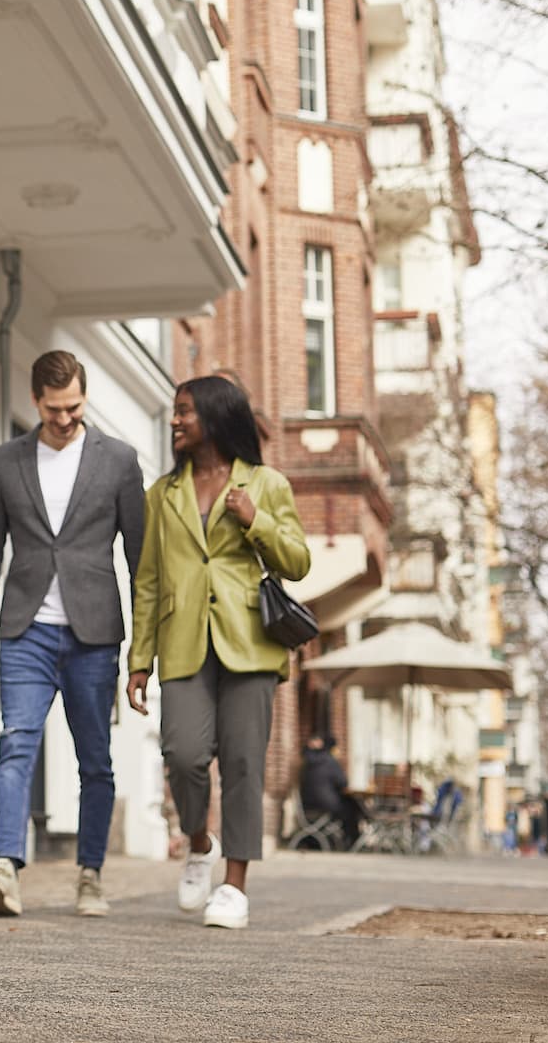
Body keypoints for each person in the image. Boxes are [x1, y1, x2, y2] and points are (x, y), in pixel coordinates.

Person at [0, 350, 146, 918]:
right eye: (53, 410)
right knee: (16, 741)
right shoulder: (5, 461)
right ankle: (6, 868)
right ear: (34, 401)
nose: (64, 419)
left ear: (83, 398)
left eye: (73, 407)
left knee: (94, 759)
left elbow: (140, 558)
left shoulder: (118, 461)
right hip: (26, 629)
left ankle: (90, 874)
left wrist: (145, 646)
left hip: (94, 635)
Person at [126, 375, 310, 930]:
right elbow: (149, 581)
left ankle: (234, 885)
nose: (175, 420)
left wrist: (256, 522)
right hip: (183, 640)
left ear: (213, 415)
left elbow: (297, 561)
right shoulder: (162, 495)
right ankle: (199, 842)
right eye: (174, 412)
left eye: (184, 411)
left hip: (249, 640)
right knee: (182, 754)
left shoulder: (266, 484)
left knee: (243, 763)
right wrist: (140, 658)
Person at [300, 734, 365, 849]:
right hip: (326, 804)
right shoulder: (329, 760)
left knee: (349, 805)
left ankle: (320, 840)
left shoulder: (307, 760)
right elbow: (343, 783)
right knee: (352, 807)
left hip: (307, 804)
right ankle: (353, 842)